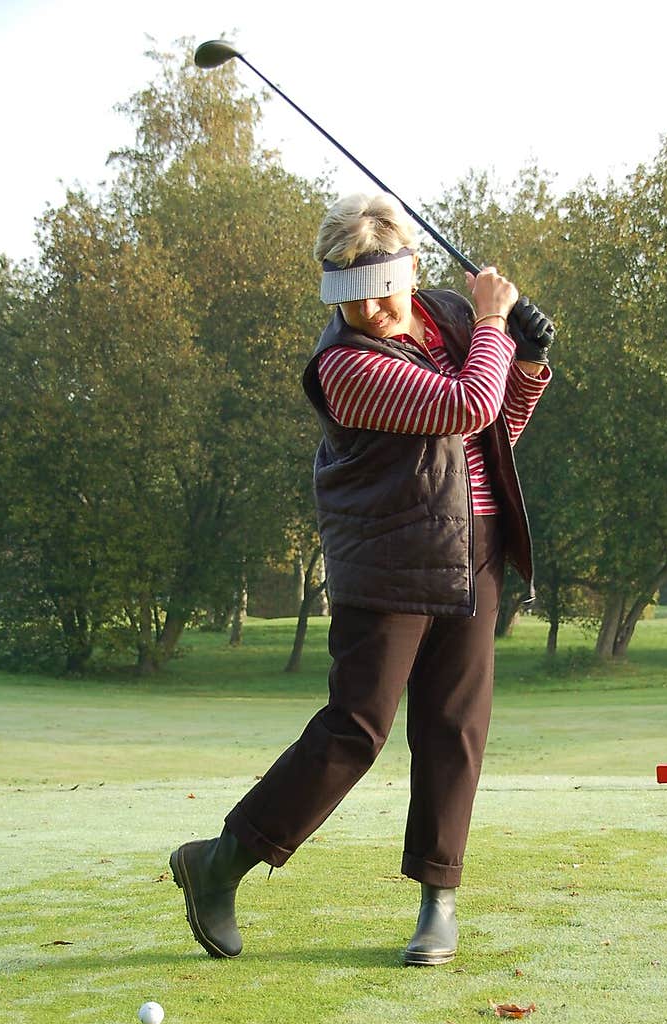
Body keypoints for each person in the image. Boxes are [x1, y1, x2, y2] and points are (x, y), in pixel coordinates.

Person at [170, 192, 554, 966]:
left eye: (385, 288)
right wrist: (493, 325)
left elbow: (495, 426)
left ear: (410, 270)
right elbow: (465, 401)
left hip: (474, 549)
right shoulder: (345, 366)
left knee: (455, 729)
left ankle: (437, 903)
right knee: (356, 728)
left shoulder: (445, 318)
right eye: (353, 297)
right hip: (391, 556)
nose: (375, 309)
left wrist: (531, 360)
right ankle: (220, 862)